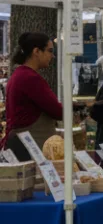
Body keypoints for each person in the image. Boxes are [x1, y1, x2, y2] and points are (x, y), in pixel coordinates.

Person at [1, 33, 63, 162]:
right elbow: (57, 111)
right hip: (31, 145)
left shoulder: (19, 74)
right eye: (50, 51)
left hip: (20, 142)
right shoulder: (30, 78)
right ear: (36, 51)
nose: (52, 56)